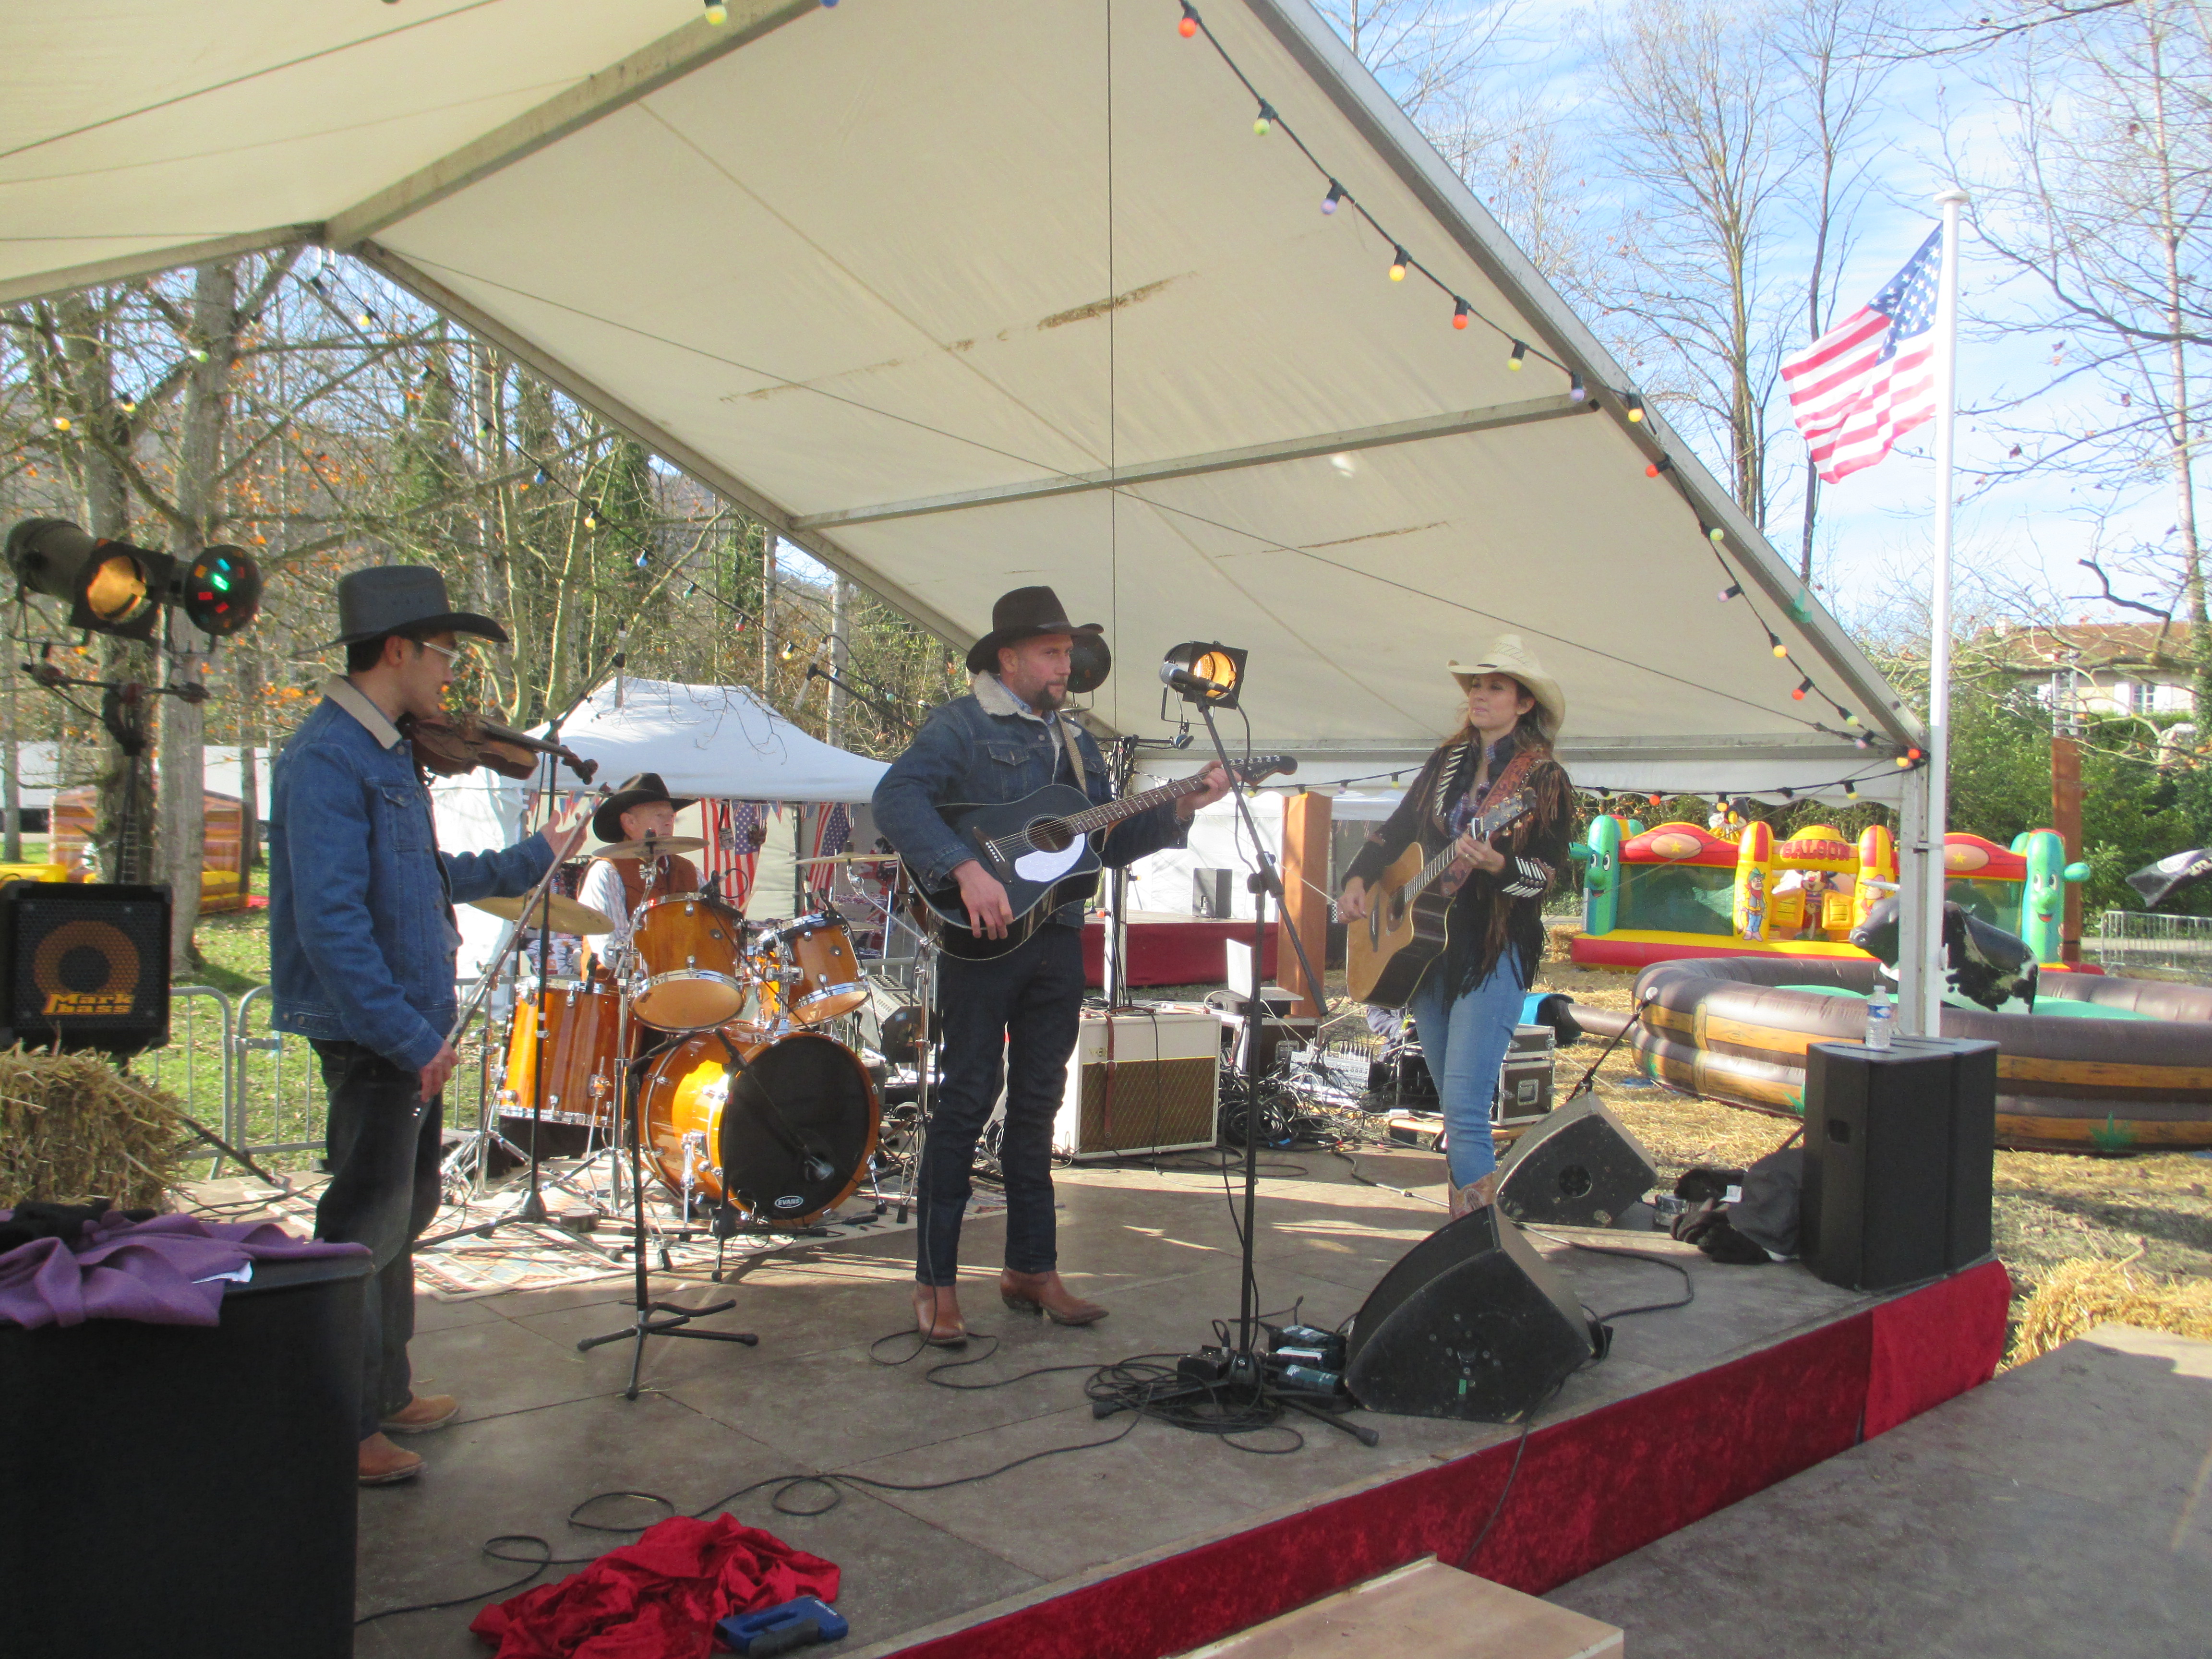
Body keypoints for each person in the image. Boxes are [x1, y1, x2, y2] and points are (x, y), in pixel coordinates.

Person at [268, 566, 586, 1487]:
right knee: (363, 1225)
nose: (452, 674)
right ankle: (344, 1419)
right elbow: (333, 924)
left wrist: (540, 852)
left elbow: (424, 878)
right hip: (376, 1031)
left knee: (408, 1210)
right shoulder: (328, 757)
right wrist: (411, 1040)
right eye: (445, 651)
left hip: (406, 1023)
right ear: (398, 649)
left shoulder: (384, 752)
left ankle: (387, 1387)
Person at [873, 586, 1231, 1345]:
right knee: (968, 1097)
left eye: (1069, 651)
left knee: (1038, 1105)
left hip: (1058, 937)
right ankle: (935, 1283)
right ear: (1008, 658)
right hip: (980, 942)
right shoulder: (961, 725)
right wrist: (962, 869)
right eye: (1052, 651)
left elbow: (1102, 845)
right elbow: (897, 796)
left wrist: (1183, 809)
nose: (1067, 664)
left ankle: (1032, 1267)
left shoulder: (1079, 743)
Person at [1338, 635, 1574, 1217]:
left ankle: (1478, 1239)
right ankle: (1467, 1228)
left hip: (1493, 951)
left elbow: (1548, 878)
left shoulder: (1543, 781)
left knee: (1467, 1106)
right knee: (1451, 1101)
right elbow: (1395, 829)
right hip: (1427, 951)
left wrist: (1498, 866)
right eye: (1475, 684)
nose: (1479, 694)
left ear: (1524, 704)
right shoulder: (1445, 764)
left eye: (1495, 686)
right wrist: (1361, 877)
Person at [575, 772, 705, 948]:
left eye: (671, 817)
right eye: (659, 816)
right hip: (622, 975)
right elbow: (611, 950)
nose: (669, 823)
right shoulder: (607, 871)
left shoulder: (690, 871)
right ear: (629, 822)